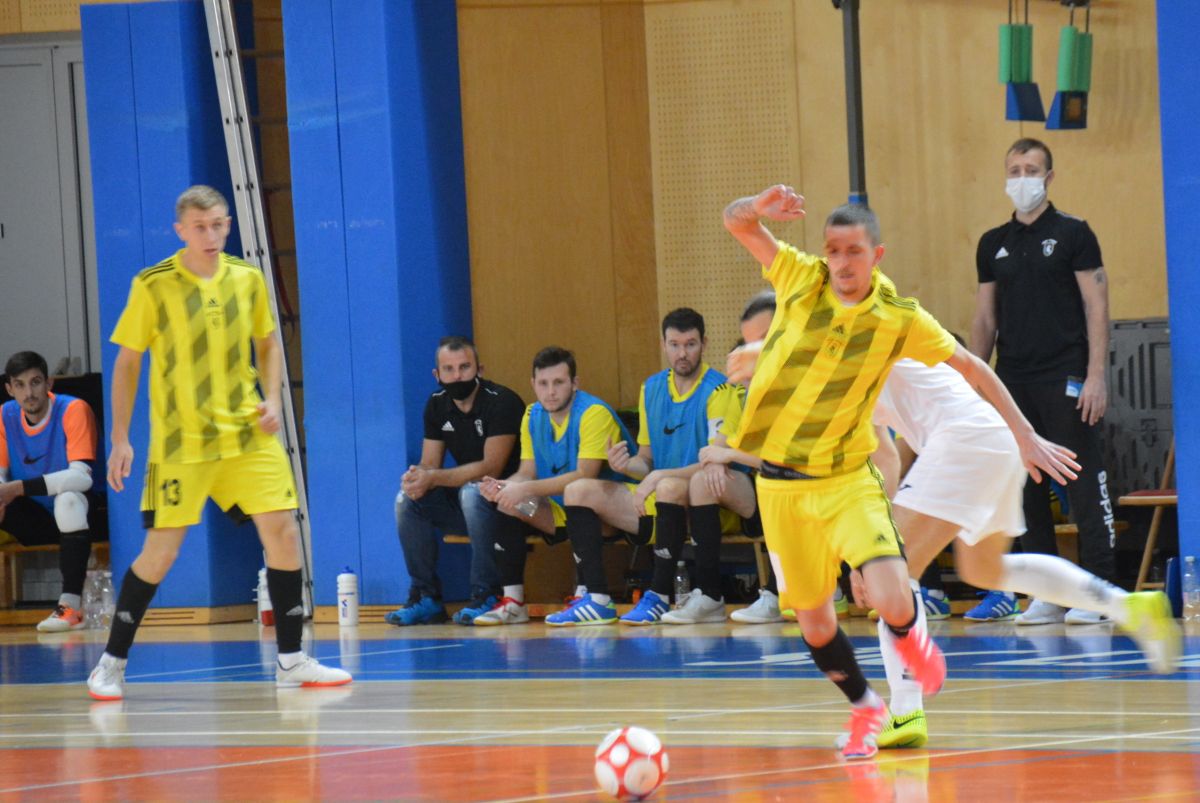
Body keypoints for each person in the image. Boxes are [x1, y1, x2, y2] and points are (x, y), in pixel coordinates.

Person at [716, 184, 1077, 760]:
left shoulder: (898, 320)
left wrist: (1024, 433)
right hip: (781, 487)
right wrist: (758, 207)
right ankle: (867, 707)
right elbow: (736, 222)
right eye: (833, 251)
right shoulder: (801, 278)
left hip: (843, 477)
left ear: (876, 255)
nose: (841, 263)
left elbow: (973, 366)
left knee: (889, 586)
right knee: (815, 626)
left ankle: (913, 661)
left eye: (853, 251)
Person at [87, 185, 351, 700]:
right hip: (181, 445)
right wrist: (120, 438)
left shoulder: (247, 279)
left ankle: (291, 660)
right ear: (180, 230)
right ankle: (111, 663)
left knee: (284, 532)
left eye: (218, 225)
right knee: (161, 553)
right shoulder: (153, 285)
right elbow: (127, 363)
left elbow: (268, 344)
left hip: (248, 435)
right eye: (200, 227)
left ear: (228, 225)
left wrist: (271, 400)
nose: (211, 235)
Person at [856, 352, 1181, 750]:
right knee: (984, 570)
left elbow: (975, 367)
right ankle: (1125, 605)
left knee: (894, 570)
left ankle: (906, 711)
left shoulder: (869, 334)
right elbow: (886, 456)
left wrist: (876, 550)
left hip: (962, 441)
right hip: (992, 440)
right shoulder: (846, 359)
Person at [969, 138, 1116, 626]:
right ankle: (1047, 594)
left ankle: (1100, 591)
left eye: (1031, 169)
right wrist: (974, 381)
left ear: (1049, 177)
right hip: (1013, 379)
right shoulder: (993, 243)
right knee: (1026, 487)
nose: (1022, 178)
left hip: (1065, 375)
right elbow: (985, 319)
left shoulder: (1074, 233)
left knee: (1080, 479)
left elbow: (1096, 305)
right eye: (1014, 169)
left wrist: (1095, 376)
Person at [558, 308, 749, 627]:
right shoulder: (651, 388)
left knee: (670, 486)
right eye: (674, 345)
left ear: (704, 344)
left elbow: (716, 461)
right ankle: (597, 599)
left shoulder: (720, 389)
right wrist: (626, 465)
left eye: (690, 344)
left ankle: (658, 596)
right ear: (663, 345)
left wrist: (659, 475)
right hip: (659, 498)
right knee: (577, 490)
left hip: (704, 500)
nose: (682, 353)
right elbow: (646, 461)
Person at [479, 346, 632, 624]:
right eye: (543, 383)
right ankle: (513, 603)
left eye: (559, 382)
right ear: (533, 384)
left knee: (577, 491)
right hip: (562, 512)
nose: (550, 391)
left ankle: (589, 595)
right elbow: (526, 473)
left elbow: (585, 474)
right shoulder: (531, 415)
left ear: (575, 383)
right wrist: (504, 487)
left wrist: (524, 489)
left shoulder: (593, 413)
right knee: (509, 502)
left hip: (610, 515)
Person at [385, 336, 526, 627]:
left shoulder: (502, 402)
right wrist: (416, 478)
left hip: (515, 507)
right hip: (471, 507)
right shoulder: (437, 404)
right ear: (437, 374)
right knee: (407, 500)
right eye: (449, 369)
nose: (457, 375)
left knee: (472, 493)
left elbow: (492, 467)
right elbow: (430, 465)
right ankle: (426, 597)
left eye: (464, 367)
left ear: (480, 369)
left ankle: (487, 594)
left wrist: (433, 476)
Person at [0, 351, 101, 632]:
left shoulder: (73, 409)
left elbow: (81, 478)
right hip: (37, 517)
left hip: (88, 513)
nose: (29, 393)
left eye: (35, 382)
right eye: (20, 385)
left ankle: (70, 608)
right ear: (9, 389)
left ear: (49, 383)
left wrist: (18, 488)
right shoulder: (4, 416)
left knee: (68, 500)